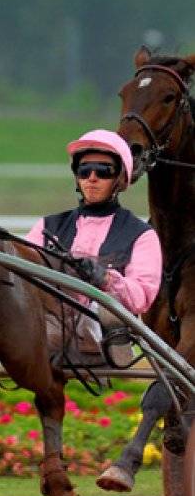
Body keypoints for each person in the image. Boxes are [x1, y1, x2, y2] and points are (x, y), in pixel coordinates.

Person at [25, 129, 162, 366]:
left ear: (120, 178)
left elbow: (141, 298)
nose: (92, 178)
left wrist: (105, 278)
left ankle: (106, 343)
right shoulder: (47, 226)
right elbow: (22, 277)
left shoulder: (142, 235)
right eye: (84, 170)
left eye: (103, 171)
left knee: (103, 307)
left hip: (100, 326)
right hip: (48, 321)